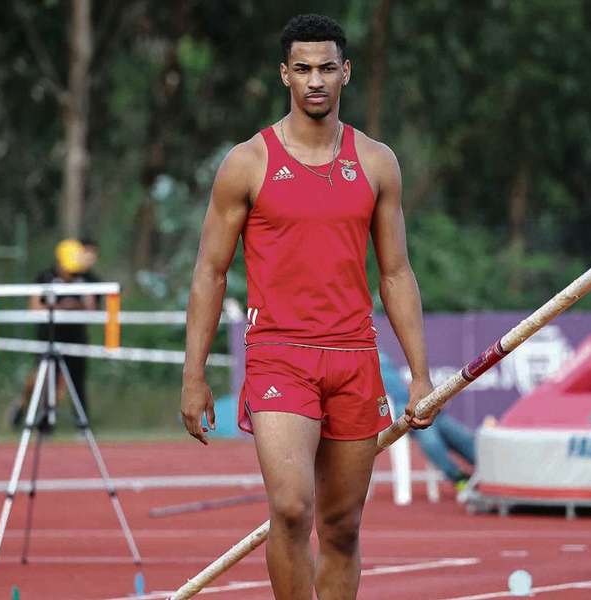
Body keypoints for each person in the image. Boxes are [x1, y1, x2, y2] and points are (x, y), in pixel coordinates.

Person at [180, 14, 435, 600]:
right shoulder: (248, 162)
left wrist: (420, 374)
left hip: (353, 357)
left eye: (326, 68)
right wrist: (193, 375)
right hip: (278, 357)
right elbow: (210, 272)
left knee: (341, 527)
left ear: (345, 72)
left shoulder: (376, 163)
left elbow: (395, 273)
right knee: (292, 509)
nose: (314, 80)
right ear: (284, 75)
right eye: (302, 69)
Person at [8, 239, 96, 427]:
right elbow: (34, 308)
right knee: (44, 377)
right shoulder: (45, 278)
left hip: (76, 339)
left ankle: (82, 424)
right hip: (49, 337)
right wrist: (59, 307)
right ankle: (35, 415)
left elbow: (91, 308)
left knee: (75, 381)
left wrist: (76, 307)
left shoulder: (84, 279)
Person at [379, 351, 476, 497]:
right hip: (397, 410)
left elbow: (402, 383)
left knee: (460, 435)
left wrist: (428, 399)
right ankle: (459, 478)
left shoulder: (382, 355)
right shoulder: (352, 355)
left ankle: (490, 473)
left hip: (416, 401)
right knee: (431, 439)